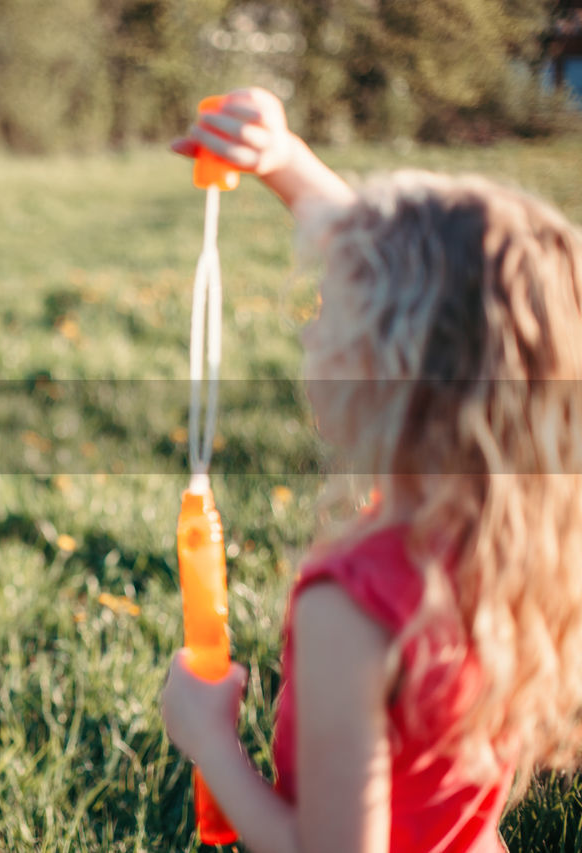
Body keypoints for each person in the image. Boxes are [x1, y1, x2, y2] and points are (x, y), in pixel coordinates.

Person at [161, 88, 582, 852]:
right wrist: (284, 161)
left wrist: (208, 741)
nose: (312, 323)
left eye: (332, 307)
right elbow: (425, 280)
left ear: (386, 371)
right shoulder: (507, 542)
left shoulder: (352, 606)